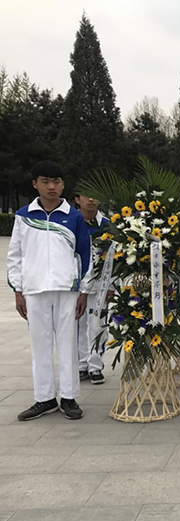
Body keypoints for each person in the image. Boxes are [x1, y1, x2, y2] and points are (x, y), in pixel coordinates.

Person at [9, 161, 91, 421]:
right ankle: (44, 399)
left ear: (63, 185)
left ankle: (69, 397)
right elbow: (15, 255)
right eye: (45, 181)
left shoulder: (74, 217)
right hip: (34, 290)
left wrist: (84, 291)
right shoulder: (24, 216)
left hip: (67, 290)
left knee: (67, 345)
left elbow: (86, 255)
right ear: (35, 184)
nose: (51, 186)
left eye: (56, 181)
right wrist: (18, 290)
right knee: (40, 346)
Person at [73, 194, 110, 384]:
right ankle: (81, 364)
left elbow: (116, 257)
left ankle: (95, 366)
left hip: (99, 285)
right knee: (78, 325)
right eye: (86, 196)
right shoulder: (72, 221)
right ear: (77, 199)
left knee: (98, 325)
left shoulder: (108, 225)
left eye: (94, 196)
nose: (91, 200)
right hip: (74, 283)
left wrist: (112, 285)